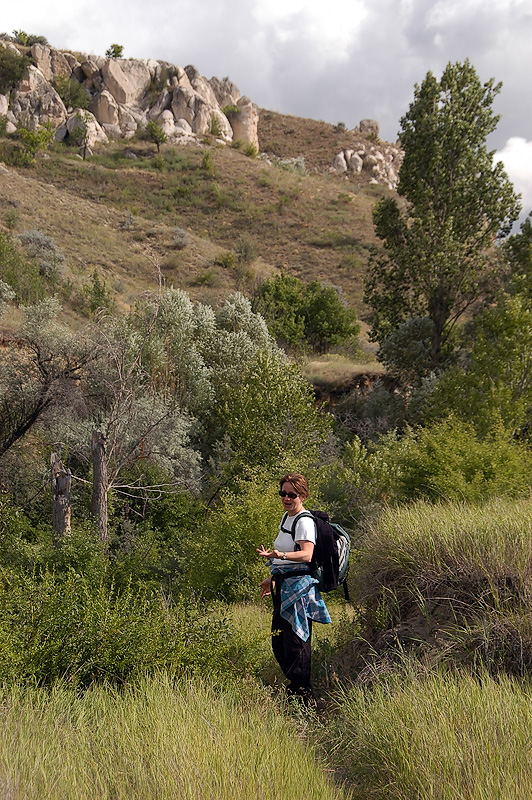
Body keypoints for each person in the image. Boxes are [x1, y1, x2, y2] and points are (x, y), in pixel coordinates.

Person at [257, 472, 331, 702]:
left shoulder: (304, 521)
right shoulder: (286, 517)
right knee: (280, 642)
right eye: (283, 493)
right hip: (283, 586)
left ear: (303, 496)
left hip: (299, 590)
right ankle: (296, 691)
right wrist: (272, 576)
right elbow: (286, 558)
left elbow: (306, 555)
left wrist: (280, 555)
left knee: (296, 644)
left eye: (292, 495)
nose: (286, 498)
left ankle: (303, 697)